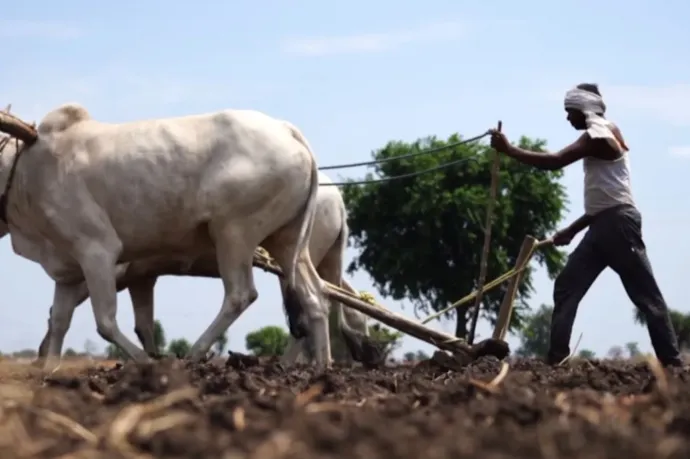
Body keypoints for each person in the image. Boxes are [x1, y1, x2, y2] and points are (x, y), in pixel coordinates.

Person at [489, 83, 682, 367]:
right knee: (567, 285)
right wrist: (574, 229)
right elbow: (606, 197)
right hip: (603, 225)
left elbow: (555, 161)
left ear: (583, 110)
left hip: (617, 226)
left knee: (646, 296)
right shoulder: (605, 132)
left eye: (570, 112)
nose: (568, 119)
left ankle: (672, 363)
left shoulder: (597, 136)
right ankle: (556, 360)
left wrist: (509, 150)